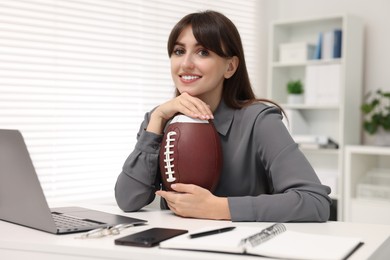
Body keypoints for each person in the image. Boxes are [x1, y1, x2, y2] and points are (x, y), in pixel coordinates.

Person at [115, 10, 332, 222]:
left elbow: (315, 202)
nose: (185, 63)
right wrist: (157, 118)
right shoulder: (160, 120)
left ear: (230, 66)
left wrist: (219, 208)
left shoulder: (259, 121)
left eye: (203, 52)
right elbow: (128, 199)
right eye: (179, 51)